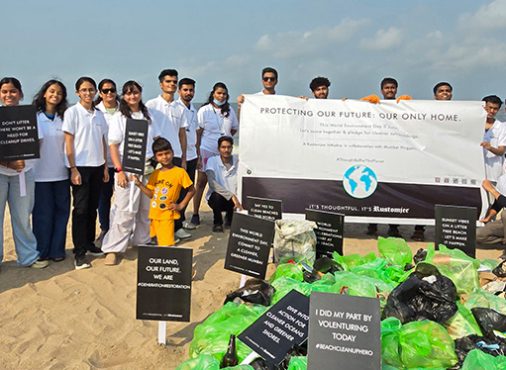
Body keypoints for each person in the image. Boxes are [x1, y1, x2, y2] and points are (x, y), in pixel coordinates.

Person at [100, 80, 163, 265]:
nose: (132, 96)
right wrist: (119, 170)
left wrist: (158, 161)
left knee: (145, 209)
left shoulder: (148, 114)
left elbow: (157, 139)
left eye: (135, 92)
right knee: (125, 210)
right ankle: (113, 248)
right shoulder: (120, 116)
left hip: (149, 168)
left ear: (140, 93)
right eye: (128, 93)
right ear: (124, 96)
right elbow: (113, 145)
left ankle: (141, 241)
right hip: (127, 169)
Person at [0, 77, 47, 269]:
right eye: (4, 91)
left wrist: (24, 158)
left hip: (23, 173)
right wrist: (8, 162)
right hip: (1, 174)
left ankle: (27, 257)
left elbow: (38, 141)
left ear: (20, 93)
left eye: (12, 91)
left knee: (22, 217)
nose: (8, 95)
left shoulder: (30, 115)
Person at [63, 77, 109, 269]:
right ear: (77, 93)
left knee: (93, 208)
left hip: (98, 166)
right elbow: (68, 142)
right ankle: (79, 251)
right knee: (80, 210)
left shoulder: (99, 114)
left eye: (91, 90)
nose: (88, 93)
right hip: (80, 167)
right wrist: (73, 168)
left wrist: (106, 166)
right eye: (84, 90)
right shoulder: (72, 112)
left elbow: (104, 141)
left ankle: (90, 243)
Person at [363, 77, 410, 238]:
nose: (389, 90)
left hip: (395, 155)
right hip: (376, 153)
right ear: (381, 90)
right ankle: (372, 224)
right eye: (386, 88)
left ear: (396, 89)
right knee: (373, 191)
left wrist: (410, 105)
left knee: (392, 193)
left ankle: (393, 226)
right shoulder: (374, 106)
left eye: (392, 88)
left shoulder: (403, 106)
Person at [146, 69, 190, 240]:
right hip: (157, 156)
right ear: (161, 84)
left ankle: (176, 227)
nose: (171, 84)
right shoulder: (151, 105)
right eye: (168, 81)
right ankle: (155, 231)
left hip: (176, 154)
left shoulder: (181, 107)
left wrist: (184, 157)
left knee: (176, 194)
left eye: (174, 82)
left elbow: (182, 134)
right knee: (158, 194)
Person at [189, 82, 239, 227]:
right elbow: (198, 133)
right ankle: (195, 214)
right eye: (218, 93)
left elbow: (234, 130)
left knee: (227, 182)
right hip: (207, 150)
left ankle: (228, 213)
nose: (221, 96)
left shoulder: (230, 110)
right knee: (201, 182)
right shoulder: (204, 110)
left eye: (224, 93)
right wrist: (198, 153)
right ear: (213, 94)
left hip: (224, 153)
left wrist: (225, 140)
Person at [410, 82, 455, 241]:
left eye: (448, 91)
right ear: (435, 95)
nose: (445, 93)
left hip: (448, 160)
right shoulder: (426, 110)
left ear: (452, 94)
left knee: (446, 196)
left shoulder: (461, 112)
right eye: (441, 91)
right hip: (427, 159)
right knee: (423, 194)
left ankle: (447, 233)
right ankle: (419, 229)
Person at [32, 80, 70, 262]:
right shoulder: (33, 117)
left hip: (62, 173)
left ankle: (57, 250)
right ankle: (41, 251)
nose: (55, 95)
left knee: (62, 213)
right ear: (44, 93)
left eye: (60, 93)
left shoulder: (65, 117)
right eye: (52, 91)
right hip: (39, 175)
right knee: (42, 215)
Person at [132, 137, 195, 246]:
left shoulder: (180, 172)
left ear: (172, 153)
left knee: (166, 244)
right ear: (156, 158)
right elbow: (151, 194)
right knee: (154, 242)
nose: (165, 157)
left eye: (167, 153)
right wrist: (139, 184)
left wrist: (180, 205)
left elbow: (192, 190)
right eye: (160, 155)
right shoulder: (155, 174)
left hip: (167, 214)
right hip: (153, 214)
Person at [94, 79, 120, 245]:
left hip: (122, 163)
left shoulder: (124, 109)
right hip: (103, 163)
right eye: (105, 91)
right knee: (103, 198)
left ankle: (121, 229)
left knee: (123, 198)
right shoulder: (95, 111)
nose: (109, 93)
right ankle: (105, 228)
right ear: (100, 93)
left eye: (112, 90)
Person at [205, 136, 243, 232]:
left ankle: (229, 218)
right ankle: (217, 222)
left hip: (234, 201)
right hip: (218, 199)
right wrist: (231, 195)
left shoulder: (238, 161)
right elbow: (212, 183)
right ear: (218, 149)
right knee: (216, 195)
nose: (226, 150)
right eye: (223, 147)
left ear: (232, 148)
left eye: (229, 147)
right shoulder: (212, 161)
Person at [176, 78, 199, 231]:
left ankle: (181, 219)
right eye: (185, 90)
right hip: (180, 155)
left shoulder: (194, 110)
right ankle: (175, 223)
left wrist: (197, 154)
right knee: (178, 191)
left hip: (192, 155)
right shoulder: (176, 108)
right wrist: (183, 158)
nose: (188, 93)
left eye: (191, 90)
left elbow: (196, 133)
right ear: (179, 91)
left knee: (188, 190)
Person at [477, 177, 506, 259]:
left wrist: (491, 189)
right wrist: (489, 216)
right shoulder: (503, 179)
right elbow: (499, 202)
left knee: (505, 214)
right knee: (479, 235)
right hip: (504, 222)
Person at [481, 95, 506, 182]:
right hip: (476, 172)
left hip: (494, 174)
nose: (491, 111)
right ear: (483, 107)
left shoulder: (501, 127)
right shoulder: (475, 124)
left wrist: (490, 148)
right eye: (489, 108)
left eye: (495, 109)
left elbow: (501, 151)